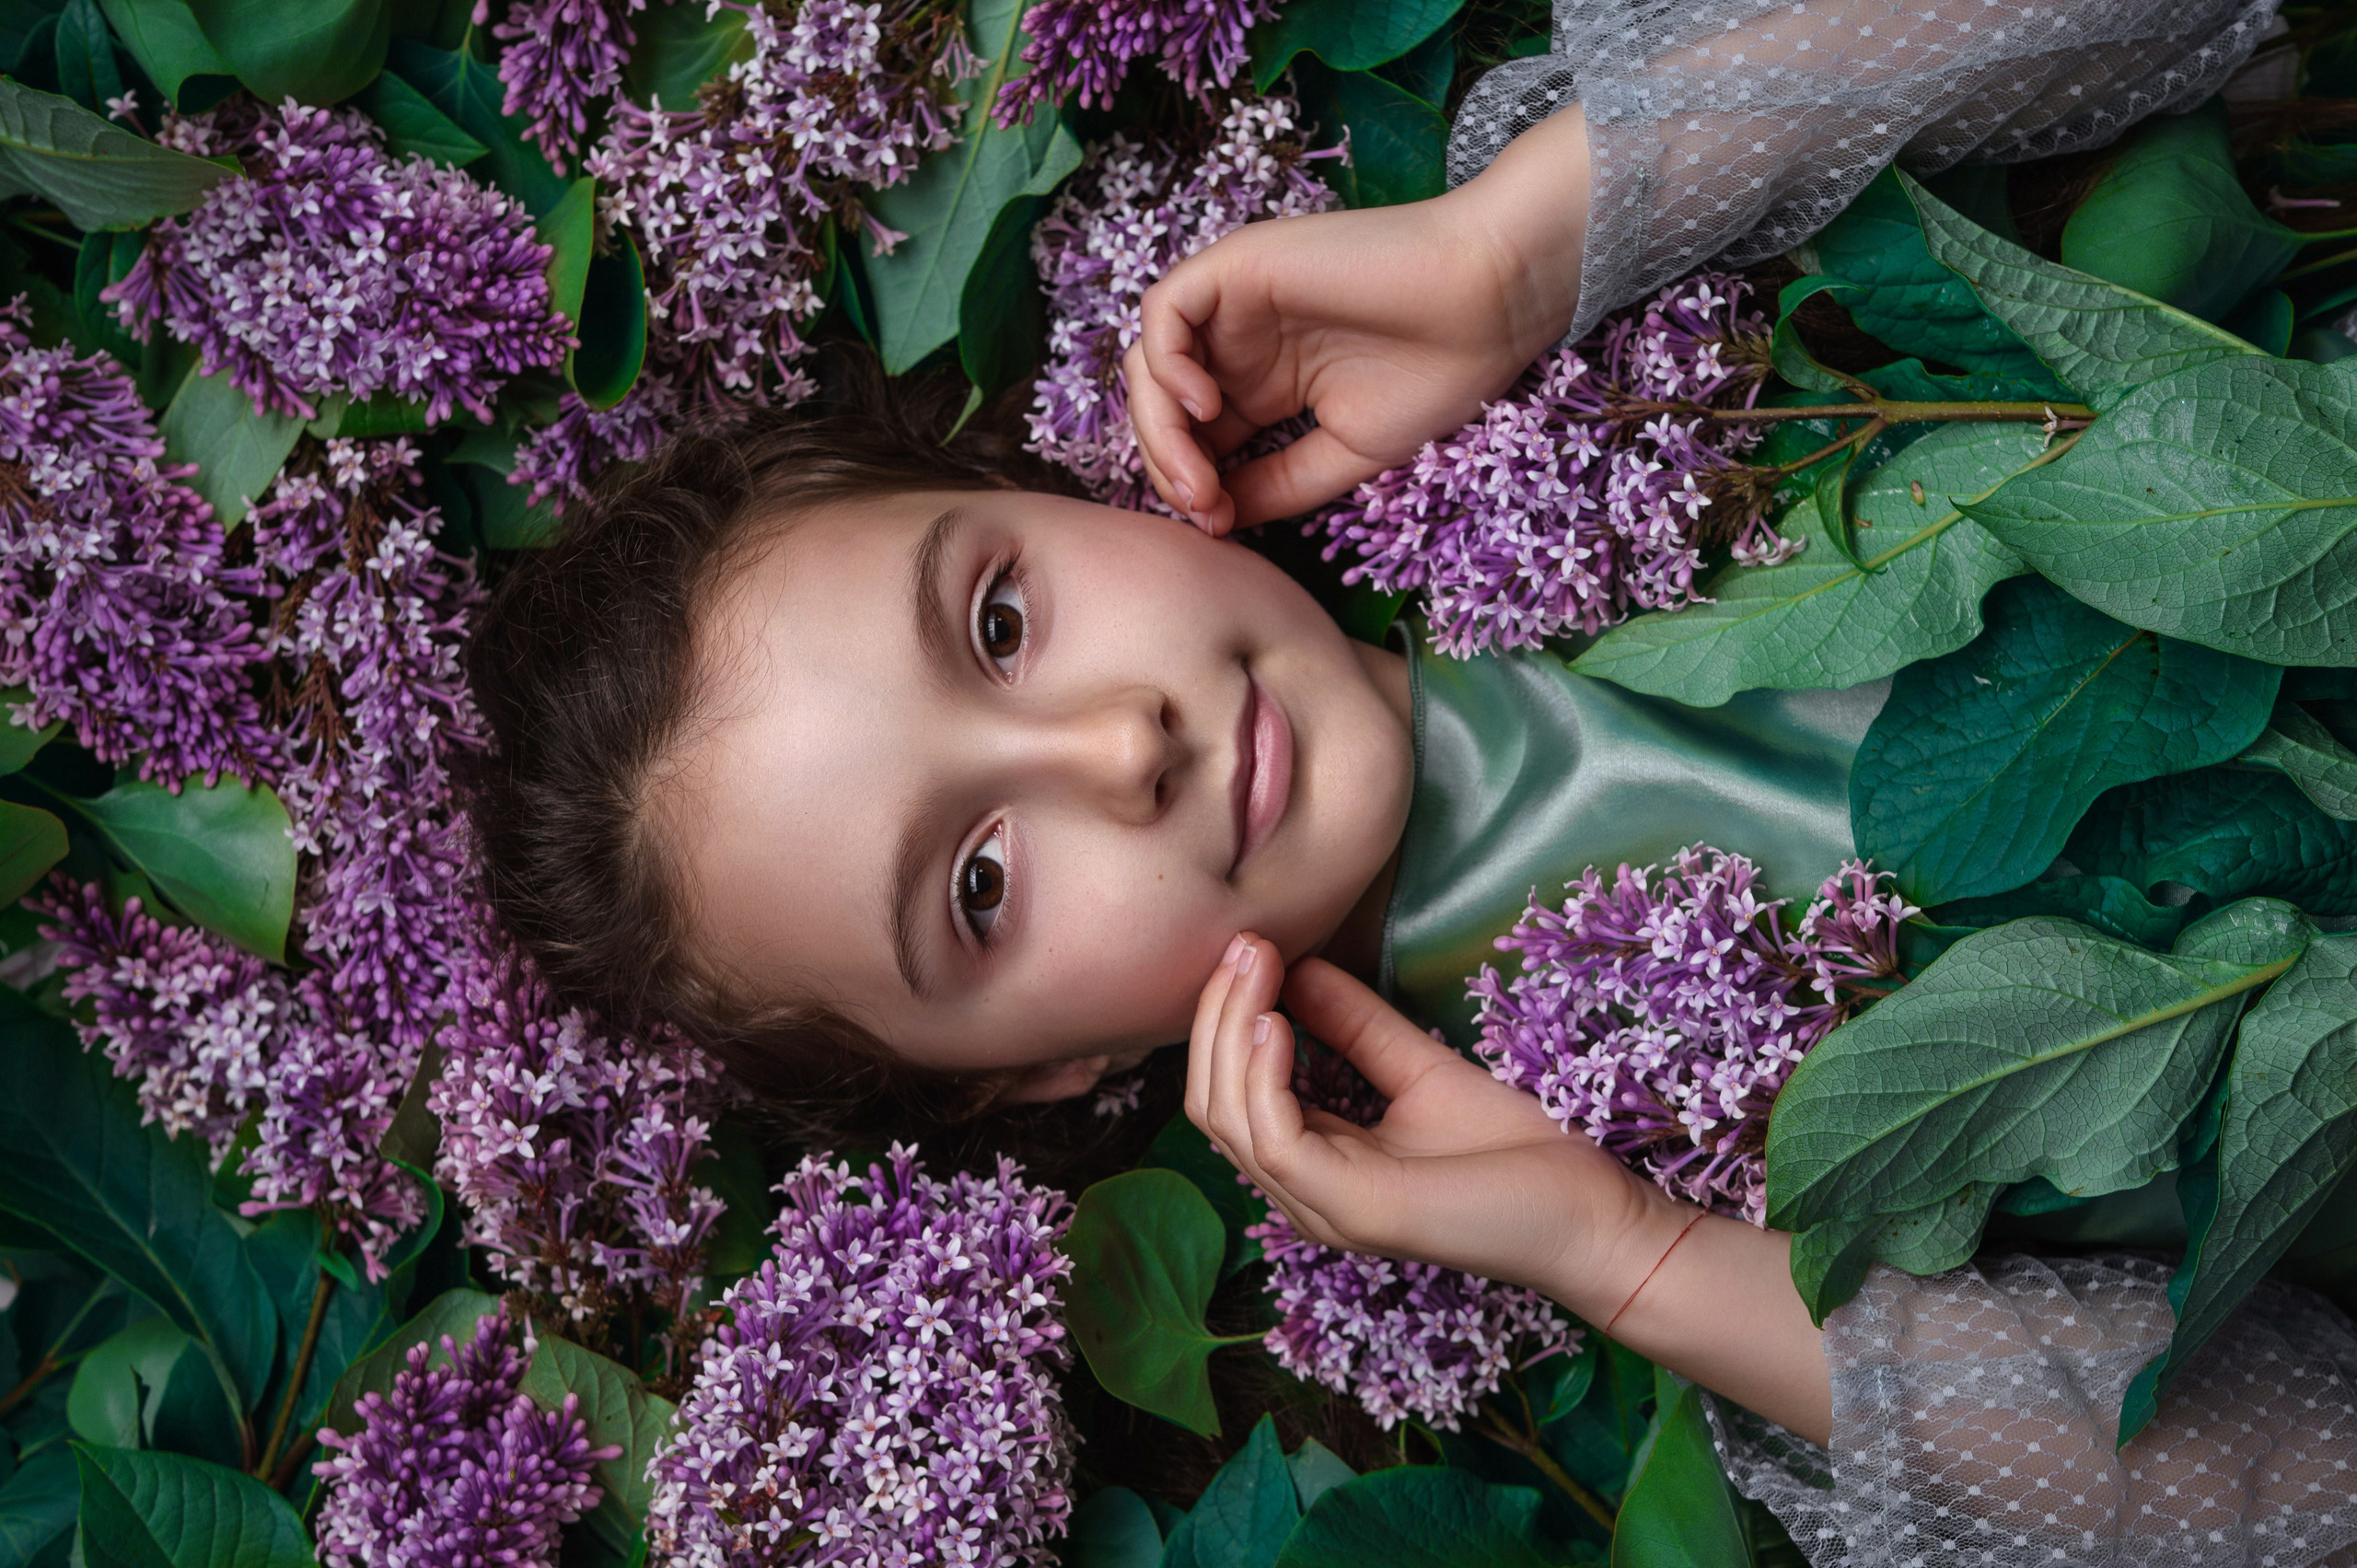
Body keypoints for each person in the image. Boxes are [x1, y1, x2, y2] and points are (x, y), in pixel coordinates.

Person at [465, 1, 2357, 1562]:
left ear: (1048, 487)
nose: (1119, 747)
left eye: (1002, 620)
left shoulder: (1607, 326)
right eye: (979, 884)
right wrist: (1629, 1259)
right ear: (1033, 1074)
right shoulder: (1600, 1191)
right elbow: (2301, 1484)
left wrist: (1521, 246)